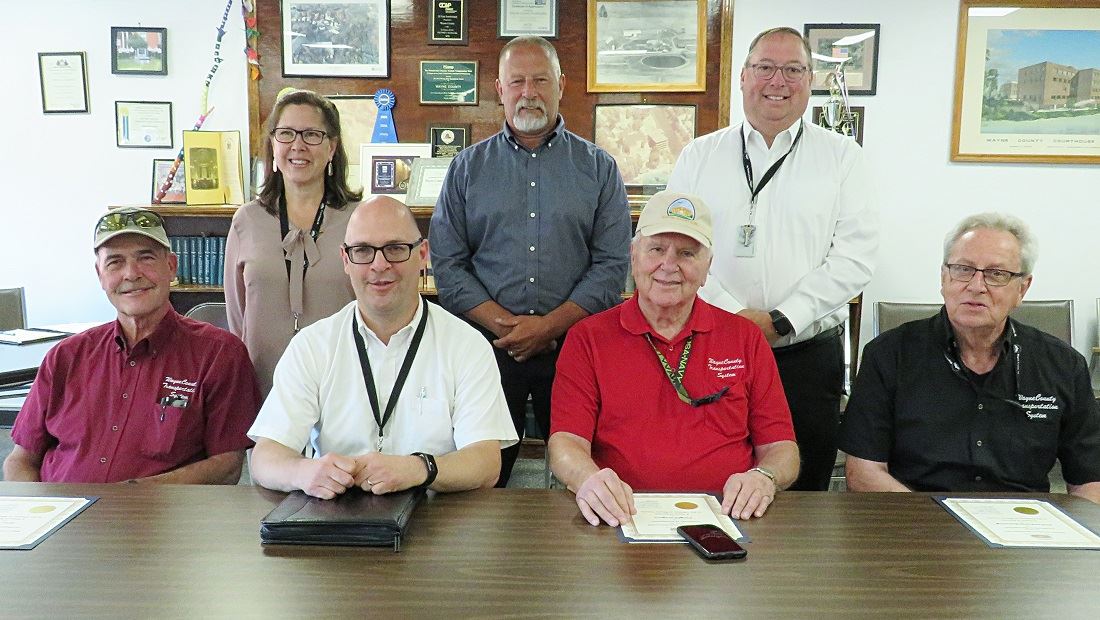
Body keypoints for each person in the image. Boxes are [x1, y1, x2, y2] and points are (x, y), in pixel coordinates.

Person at [666, 26, 878, 491]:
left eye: (793, 69)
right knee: (709, 475)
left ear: (810, 81)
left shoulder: (843, 157)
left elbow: (855, 258)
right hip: (710, 346)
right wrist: (735, 318)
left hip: (805, 354)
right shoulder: (699, 156)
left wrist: (781, 319)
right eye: (764, 67)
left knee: (800, 484)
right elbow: (676, 247)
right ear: (743, 77)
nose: (777, 80)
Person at [430, 35, 631, 487]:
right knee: (483, 480)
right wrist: (509, 328)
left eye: (540, 79)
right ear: (499, 90)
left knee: (583, 477)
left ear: (561, 84)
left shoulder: (600, 169)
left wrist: (549, 326)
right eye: (516, 81)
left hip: (578, 350)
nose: (528, 91)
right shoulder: (466, 169)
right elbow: (448, 266)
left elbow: (611, 266)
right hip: (487, 352)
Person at [549, 191, 800, 527]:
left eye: (687, 253)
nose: (669, 266)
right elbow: (565, 443)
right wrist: (586, 478)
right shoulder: (587, 338)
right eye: (656, 249)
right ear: (633, 255)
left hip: (728, 519)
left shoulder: (745, 338)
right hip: (619, 517)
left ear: (708, 267)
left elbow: (782, 449)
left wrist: (764, 477)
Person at [248, 197, 519, 499]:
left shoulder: (467, 346)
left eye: (395, 249)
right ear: (345, 259)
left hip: (437, 524)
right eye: (363, 250)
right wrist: (303, 472)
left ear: (423, 255)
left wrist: (419, 469)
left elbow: (486, 462)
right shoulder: (312, 346)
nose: (380, 264)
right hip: (336, 524)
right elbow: (265, 457)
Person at [840, 213, 1100, 502]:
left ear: (1022, 289)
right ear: (943, 278)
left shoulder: (1063, 366)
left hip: (1023, 529)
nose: (976, 285)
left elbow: (1090, 481)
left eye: (996, 274)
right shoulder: (888, 355)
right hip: (916, 523)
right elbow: (863, 473)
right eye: (963, 269)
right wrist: (935, 522)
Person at [4, 207, 261, 484]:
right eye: (115, 262)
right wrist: (37, 514)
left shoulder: (219, 354)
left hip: (159, 521)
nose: (131, 274)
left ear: (171, 266)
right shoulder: (64, 357)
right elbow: (20, 459)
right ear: (100, 275)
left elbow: (226, 466)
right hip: (62, 519)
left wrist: (131, 497)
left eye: (146, 258)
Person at [225, 89, 361, 397]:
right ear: (272, 144)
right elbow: (237, 313)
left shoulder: (360, 220)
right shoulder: (246, 220)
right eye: (286, 133)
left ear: (332, 148)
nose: (298, 145)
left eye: (312, 134)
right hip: (262, 385)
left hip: (342, 385)